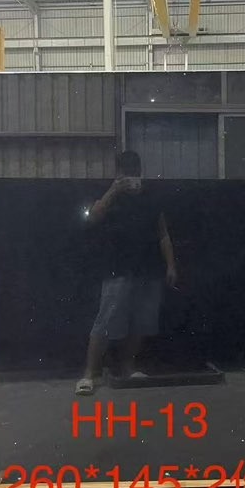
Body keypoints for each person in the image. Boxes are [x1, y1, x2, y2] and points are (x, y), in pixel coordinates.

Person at [75, 151, 177, 396]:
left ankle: (128, 367)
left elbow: (163, 234)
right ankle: (89, 374)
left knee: (141, 321)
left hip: (148, 268)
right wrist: (113, 190)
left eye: (135, 171)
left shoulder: (151, 197)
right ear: (119, 173)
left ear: (140, 171)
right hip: (117, 267)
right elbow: (92, 218)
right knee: (106, 320)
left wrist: (171, 265)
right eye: (127, 172)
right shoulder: (111, 196)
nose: (132, 176)